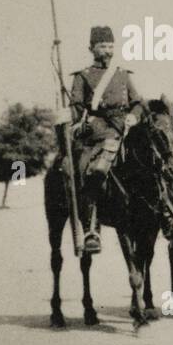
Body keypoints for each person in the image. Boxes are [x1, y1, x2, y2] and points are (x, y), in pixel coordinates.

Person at [69, 25, 145, 253]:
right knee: (97, 170)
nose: (108, 50)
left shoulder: (122, 74)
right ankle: (92, 228)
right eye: (102, 46)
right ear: (91, 48)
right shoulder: (83, 76)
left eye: (111, 45)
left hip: (125, 129)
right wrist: (74, 120)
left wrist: (134, 116)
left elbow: (137, 102)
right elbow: (76, 106)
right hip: (98, 132)